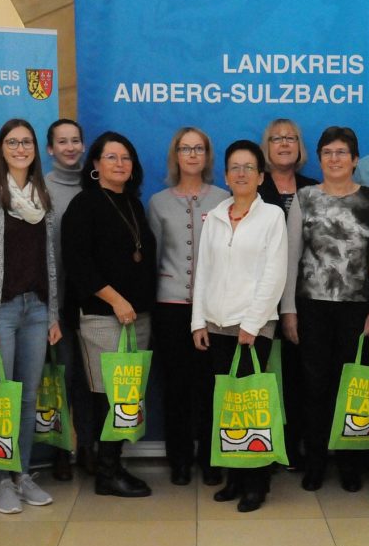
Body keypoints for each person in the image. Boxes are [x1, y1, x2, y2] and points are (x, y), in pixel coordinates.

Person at [0, 118, 61, 514]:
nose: (20, 148)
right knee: (0, 400)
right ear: (0, 149)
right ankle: (0, 480)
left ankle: (21, 474)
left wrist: (53, 313)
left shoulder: (43, 197)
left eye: (27, 142)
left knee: (26, 399)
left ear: (35, 149)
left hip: (37, 310)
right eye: (12, 142)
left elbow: (49, 262)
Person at [281, 126, 369, 492]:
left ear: (356, 160)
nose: (335, 159)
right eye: (328, 152)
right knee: (314, 387)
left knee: (352, 387)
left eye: (342, 152)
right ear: (320, 158)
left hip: (357, 309)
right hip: (311, 307)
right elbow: (291, 256)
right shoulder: (304, 197)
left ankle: (350, 463)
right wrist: (288, 310)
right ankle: (315, 461)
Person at [192, 139, 287, 512]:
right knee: (226, 407)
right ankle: (233, 476)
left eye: (249, 167)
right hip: (216, 324)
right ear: (226, 175)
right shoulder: (215, 215)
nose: (242, 173)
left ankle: (256, 482)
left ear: (261, 176)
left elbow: (274, 274)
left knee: (251, 405)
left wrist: (251, 323)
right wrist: (198, 319)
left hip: (254, 326)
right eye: (235, 167)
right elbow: (204, 271)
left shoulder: (271, 217)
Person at [62, 132, 157, 498]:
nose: (120, 164)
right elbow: (79, 265)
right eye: (112, 157)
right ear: (96, 165)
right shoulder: (83, 205)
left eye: (126, 158)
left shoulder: (133, 203)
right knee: (107, 394)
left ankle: (116, 463)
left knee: (127, 394)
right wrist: (116, 300)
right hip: (103, 316)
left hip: (137, 317)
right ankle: (106, 472)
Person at [148, 127, 229, 485]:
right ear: (176, 155)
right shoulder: (159, 202)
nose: (193, 155)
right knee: (176, 386)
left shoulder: (224, 199)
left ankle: (211, 458)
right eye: (185, 148)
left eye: (199, 148)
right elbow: (154, 255)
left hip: (213, 308)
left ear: (208, 156)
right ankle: (179, 458)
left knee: (210, 384)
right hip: (171, 306)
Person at [257, 118, 317, 469]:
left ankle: (297, 447)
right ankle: (264, 446)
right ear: (266, 147)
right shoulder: (254, 185)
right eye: (276, 138)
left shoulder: (313, 187)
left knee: (299, 377)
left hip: (304, 298)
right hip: (259, 298)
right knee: (265, 374)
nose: (283, 144)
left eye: (290, 138)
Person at [43, 117, 92, 481]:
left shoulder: (96, 184)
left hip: (91, 301)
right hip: (55, 302)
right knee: (61, 377)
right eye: (62, 142)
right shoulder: (39, 190)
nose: (71, 147)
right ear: (50, 149)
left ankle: (89, 449)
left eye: (76, 140)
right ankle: (61, 450)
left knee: (88, 381)